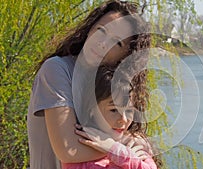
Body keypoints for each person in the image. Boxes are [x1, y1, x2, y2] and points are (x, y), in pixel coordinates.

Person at [27, 0, 150, 168]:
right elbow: (68, 150)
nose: (102, 43)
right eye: (101, 31)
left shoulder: (109, 84)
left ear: (126, 55)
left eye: (117, 42)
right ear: (89, 30)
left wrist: (136, 142)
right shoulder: (57, 69)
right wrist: (119, 147)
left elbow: (133, 137)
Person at [61, 65, 157, 169]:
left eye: (129, 111)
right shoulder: (79, 151)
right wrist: (122, 156)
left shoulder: (132, 142)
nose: (123, 120)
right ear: (92, 109)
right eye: (114, 110)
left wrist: (115, 149)